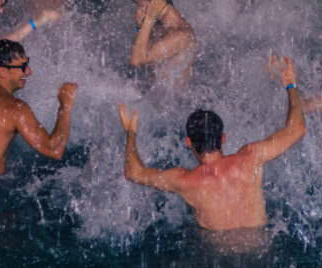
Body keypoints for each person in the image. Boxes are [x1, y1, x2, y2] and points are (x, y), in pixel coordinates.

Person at [118, 55, 305, 231]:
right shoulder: (251, 158)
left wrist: (130, 134)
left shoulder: (185, 181)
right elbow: (297, 129)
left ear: (188, 142)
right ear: (223, 138)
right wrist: (291, 86)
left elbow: (133, 172)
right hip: (260, 249)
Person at [0, 40, 76, 175]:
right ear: (2, 72)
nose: (28, 72)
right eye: (23, 66)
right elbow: (54, 149)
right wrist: (65, 105)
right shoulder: (15, 108)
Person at [130, 0, 196, 91]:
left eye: (142, 6)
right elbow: (147, 56)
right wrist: (140, 28)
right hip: (155, 96)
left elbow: (137, 61)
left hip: (172, 105)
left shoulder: (180, 34)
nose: (139, 11)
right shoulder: (161, 27)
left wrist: (149, 19)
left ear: (158, 3)